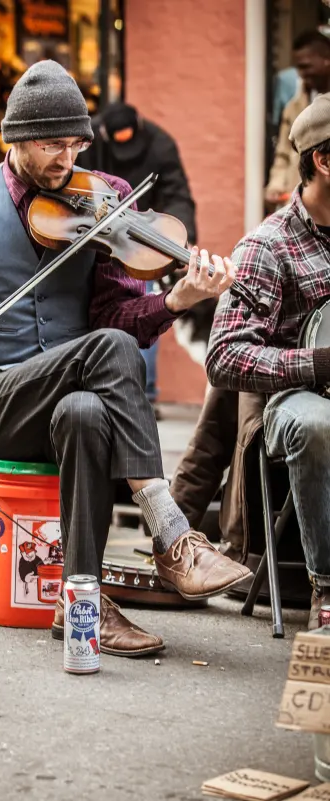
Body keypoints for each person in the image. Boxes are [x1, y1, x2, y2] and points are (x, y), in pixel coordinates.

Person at [0, 60, 250, 658]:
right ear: (14, 138)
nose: (66, 161)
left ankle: (84, 605)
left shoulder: (107, 201)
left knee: (88, 412)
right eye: (50, 145)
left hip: (68, 400)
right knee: (109, 356)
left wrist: (176, 298)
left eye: (75, 145)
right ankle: (172, 535)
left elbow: (117, 321)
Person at [206, 92, 330, 630]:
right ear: (323, 160)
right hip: (297, 401)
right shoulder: (269, 245)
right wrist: (317, 364)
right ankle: (327, 591)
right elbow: (224, 356)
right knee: (318, 424)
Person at [78, 101, 197, 410]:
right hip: (96, 236)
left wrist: (179, 244)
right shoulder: (87, 140)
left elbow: (177, 194)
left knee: (145, 301)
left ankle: (142, 393)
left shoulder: (161, 144)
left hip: (146, 237)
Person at [265, 30, 330, 208]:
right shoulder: (294, 107)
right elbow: (283, 153)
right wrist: (276, 185)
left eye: (306, 66)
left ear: (327, 59)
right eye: (298, 68)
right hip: (302, 206)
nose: (301, 74)